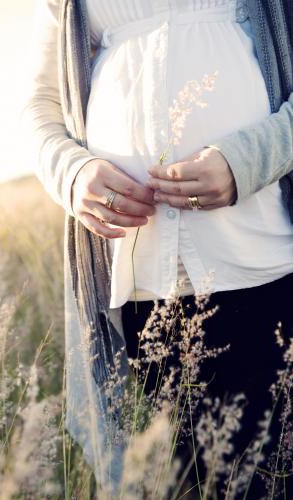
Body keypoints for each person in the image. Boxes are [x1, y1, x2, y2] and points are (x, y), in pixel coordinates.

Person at [20, 0, 293, 496]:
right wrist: (72, 173)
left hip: (265, 262)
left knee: (272, 478)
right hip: (137, 281)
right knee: (188, 479)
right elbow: (42, 103)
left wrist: (248, 161)